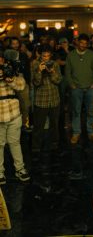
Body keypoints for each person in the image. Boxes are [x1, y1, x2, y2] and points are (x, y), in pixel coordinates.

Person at [0, 51, 30, 184]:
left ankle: (20, 169)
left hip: (14, 114)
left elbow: (21, 85)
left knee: (15, 143)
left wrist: (10, 80)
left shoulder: (12, 69)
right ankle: (0, 172)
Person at [65, 33, 93, 144]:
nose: (83, 45)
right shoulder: (71, 55)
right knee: (76, 111)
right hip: (76, 88)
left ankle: (90, 131)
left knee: (90, 111)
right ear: (77, 42)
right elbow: (67, 72)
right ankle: (76, 132)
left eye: (85, 43)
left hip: (90, 87)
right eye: (81, 42)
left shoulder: (91, 54)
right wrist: (71, 84)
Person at [32, 44, 62, 153]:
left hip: (54, 99)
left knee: (54, 124)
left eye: (48, 56)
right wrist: (39, 71)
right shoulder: (35, 64)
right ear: (40, 55)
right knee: (38, 126)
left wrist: (52, 72)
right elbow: (36, 83)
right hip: (41, 100)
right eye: (44, 56)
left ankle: (54, 144)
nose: (46, 58)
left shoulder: (54, 64)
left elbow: (58, 81)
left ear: (50, 55)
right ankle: (36, 147)